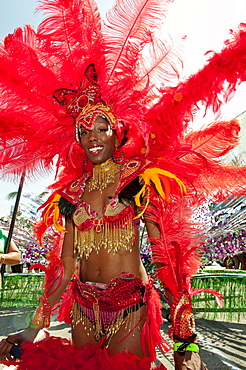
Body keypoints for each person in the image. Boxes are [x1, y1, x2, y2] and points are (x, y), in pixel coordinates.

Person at [0, 0, 246, 369]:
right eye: (85, 131)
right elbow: (65, 267)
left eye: (102, 129)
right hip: (83, 307)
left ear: (118, 133)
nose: (93, 137)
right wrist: (34, 328)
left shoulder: (140, 179)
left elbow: (169, 257)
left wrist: (186, 342)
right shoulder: (69, 195)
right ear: (77, 139)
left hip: (129, 304)